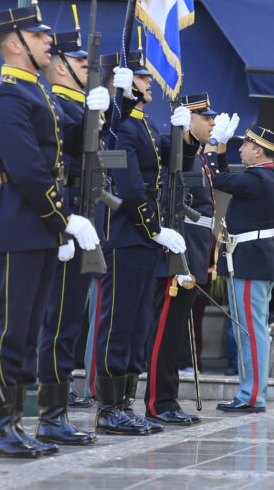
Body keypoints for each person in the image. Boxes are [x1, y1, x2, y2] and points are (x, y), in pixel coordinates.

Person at [0, 3, 106, 458]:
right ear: (15, 44)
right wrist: (63, 219)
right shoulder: (8, 95)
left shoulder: (40, 94)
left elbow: (68, 147)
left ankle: (15, 422)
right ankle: (0, 427)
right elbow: (29, 170)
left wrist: (104, 110)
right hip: (21, 226)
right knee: (11, 333)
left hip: (39, 230)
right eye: (38, 36)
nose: (47, 42)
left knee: (28, 329)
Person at [35, 29, 129, 447]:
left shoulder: (79, 105)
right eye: (84, 65)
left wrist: (115, 106)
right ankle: (49, 415)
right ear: (60, 67)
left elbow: (103, 148)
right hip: (65, 218)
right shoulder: (54, 103)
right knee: (58, 322)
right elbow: (63, 150)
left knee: (71, 322)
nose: (92, 72)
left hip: (87, 217)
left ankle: (57, 412)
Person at [95, 50, 193, 436]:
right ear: (124, 83)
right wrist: (153, 229)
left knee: (138, 325)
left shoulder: (142, 123)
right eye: (141, 77)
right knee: (118, 323)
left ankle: (124, 403)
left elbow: (175, 162)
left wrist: (186, 137)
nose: (150, 82)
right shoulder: (119, 126)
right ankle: (107, 407)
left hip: (145, 237)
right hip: (127, 234)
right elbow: (130, 188)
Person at [145, 93, 218, 427]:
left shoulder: (197, 157)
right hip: (179, 252)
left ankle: (167, 399)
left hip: (195, 251)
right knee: (165, 331)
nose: (212, 122)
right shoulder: (172, 150)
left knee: (174, 333)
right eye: (206, 118)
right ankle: (158, 402)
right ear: (189, 121)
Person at [211, 121, 274, 414]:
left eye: (244, 145)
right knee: (250, 329)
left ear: (258, 151)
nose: (239, 149)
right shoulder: (268, 175)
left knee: (250, 331)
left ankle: (252, 395)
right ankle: (250, 392)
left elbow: (218, 179)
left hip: (251, 260)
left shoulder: (258, 179)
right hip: (252, 257)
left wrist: (216, 146)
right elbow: (226, 178)